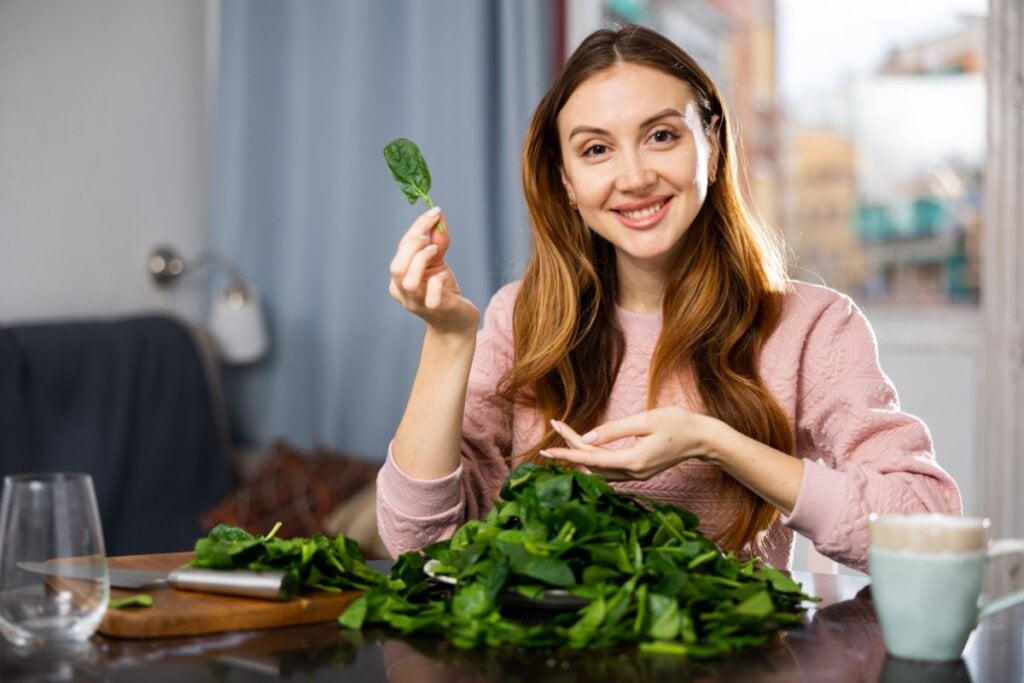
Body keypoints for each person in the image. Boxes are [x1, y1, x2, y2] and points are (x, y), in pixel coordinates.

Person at [378, 24, 961, 571]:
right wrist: (449, 338)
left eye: (661, 136)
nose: (633, 178)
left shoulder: (813, 328)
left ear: (710, 141)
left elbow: (926, 528)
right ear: (565, 181)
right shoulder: (522, 319)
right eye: (596, 150)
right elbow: (417, 544)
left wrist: (716, 444)